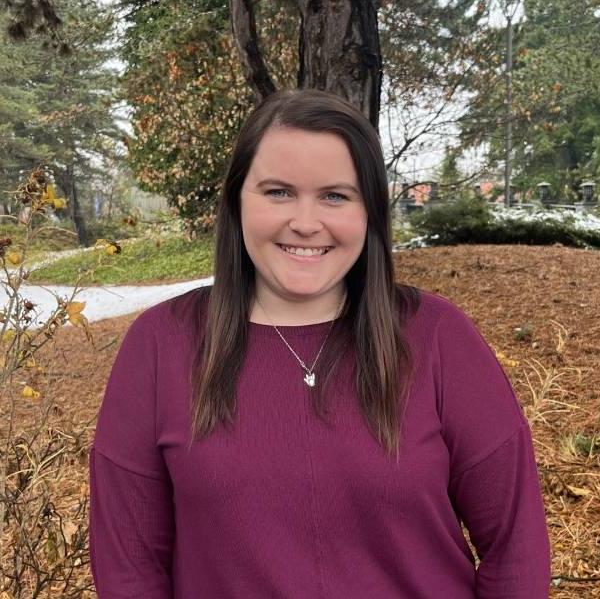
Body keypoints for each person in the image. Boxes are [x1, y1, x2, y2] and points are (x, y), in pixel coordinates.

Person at [89, 88, 551, 598]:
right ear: (236, 202)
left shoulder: (438, 338)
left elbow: (516, 549)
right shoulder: (162, 345)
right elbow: (129, 568)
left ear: (369, 212)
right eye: (278, 192)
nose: (306, 223)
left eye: (335, 195)